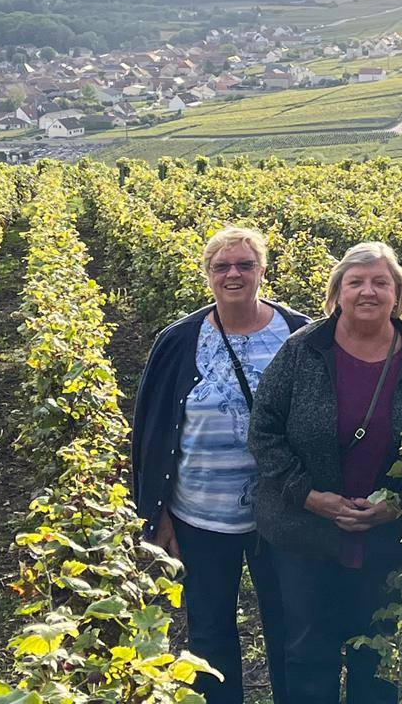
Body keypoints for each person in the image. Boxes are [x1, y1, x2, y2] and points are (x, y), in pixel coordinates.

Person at [248, 241, 402, 704]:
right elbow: (264, 430)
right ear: (337, 293)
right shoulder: (303, 349)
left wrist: (396, 505)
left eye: (381, 282)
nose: (368, 292)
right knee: (308, 652)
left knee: (377, 660)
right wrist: (308, 495)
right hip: (305, 536)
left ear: (398, 294)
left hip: (384, 542)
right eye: (355, 282)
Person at [131, 226, 307, 704]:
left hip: (283, 514)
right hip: (199, 515)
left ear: (263, 271)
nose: (234, 274)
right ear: (208, 275)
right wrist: (157, 513)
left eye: (244, 265)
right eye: (222, 266)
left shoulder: (300, 333)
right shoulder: (178, 341)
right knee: (209, 631)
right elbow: (150, 430)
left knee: (291, 627)